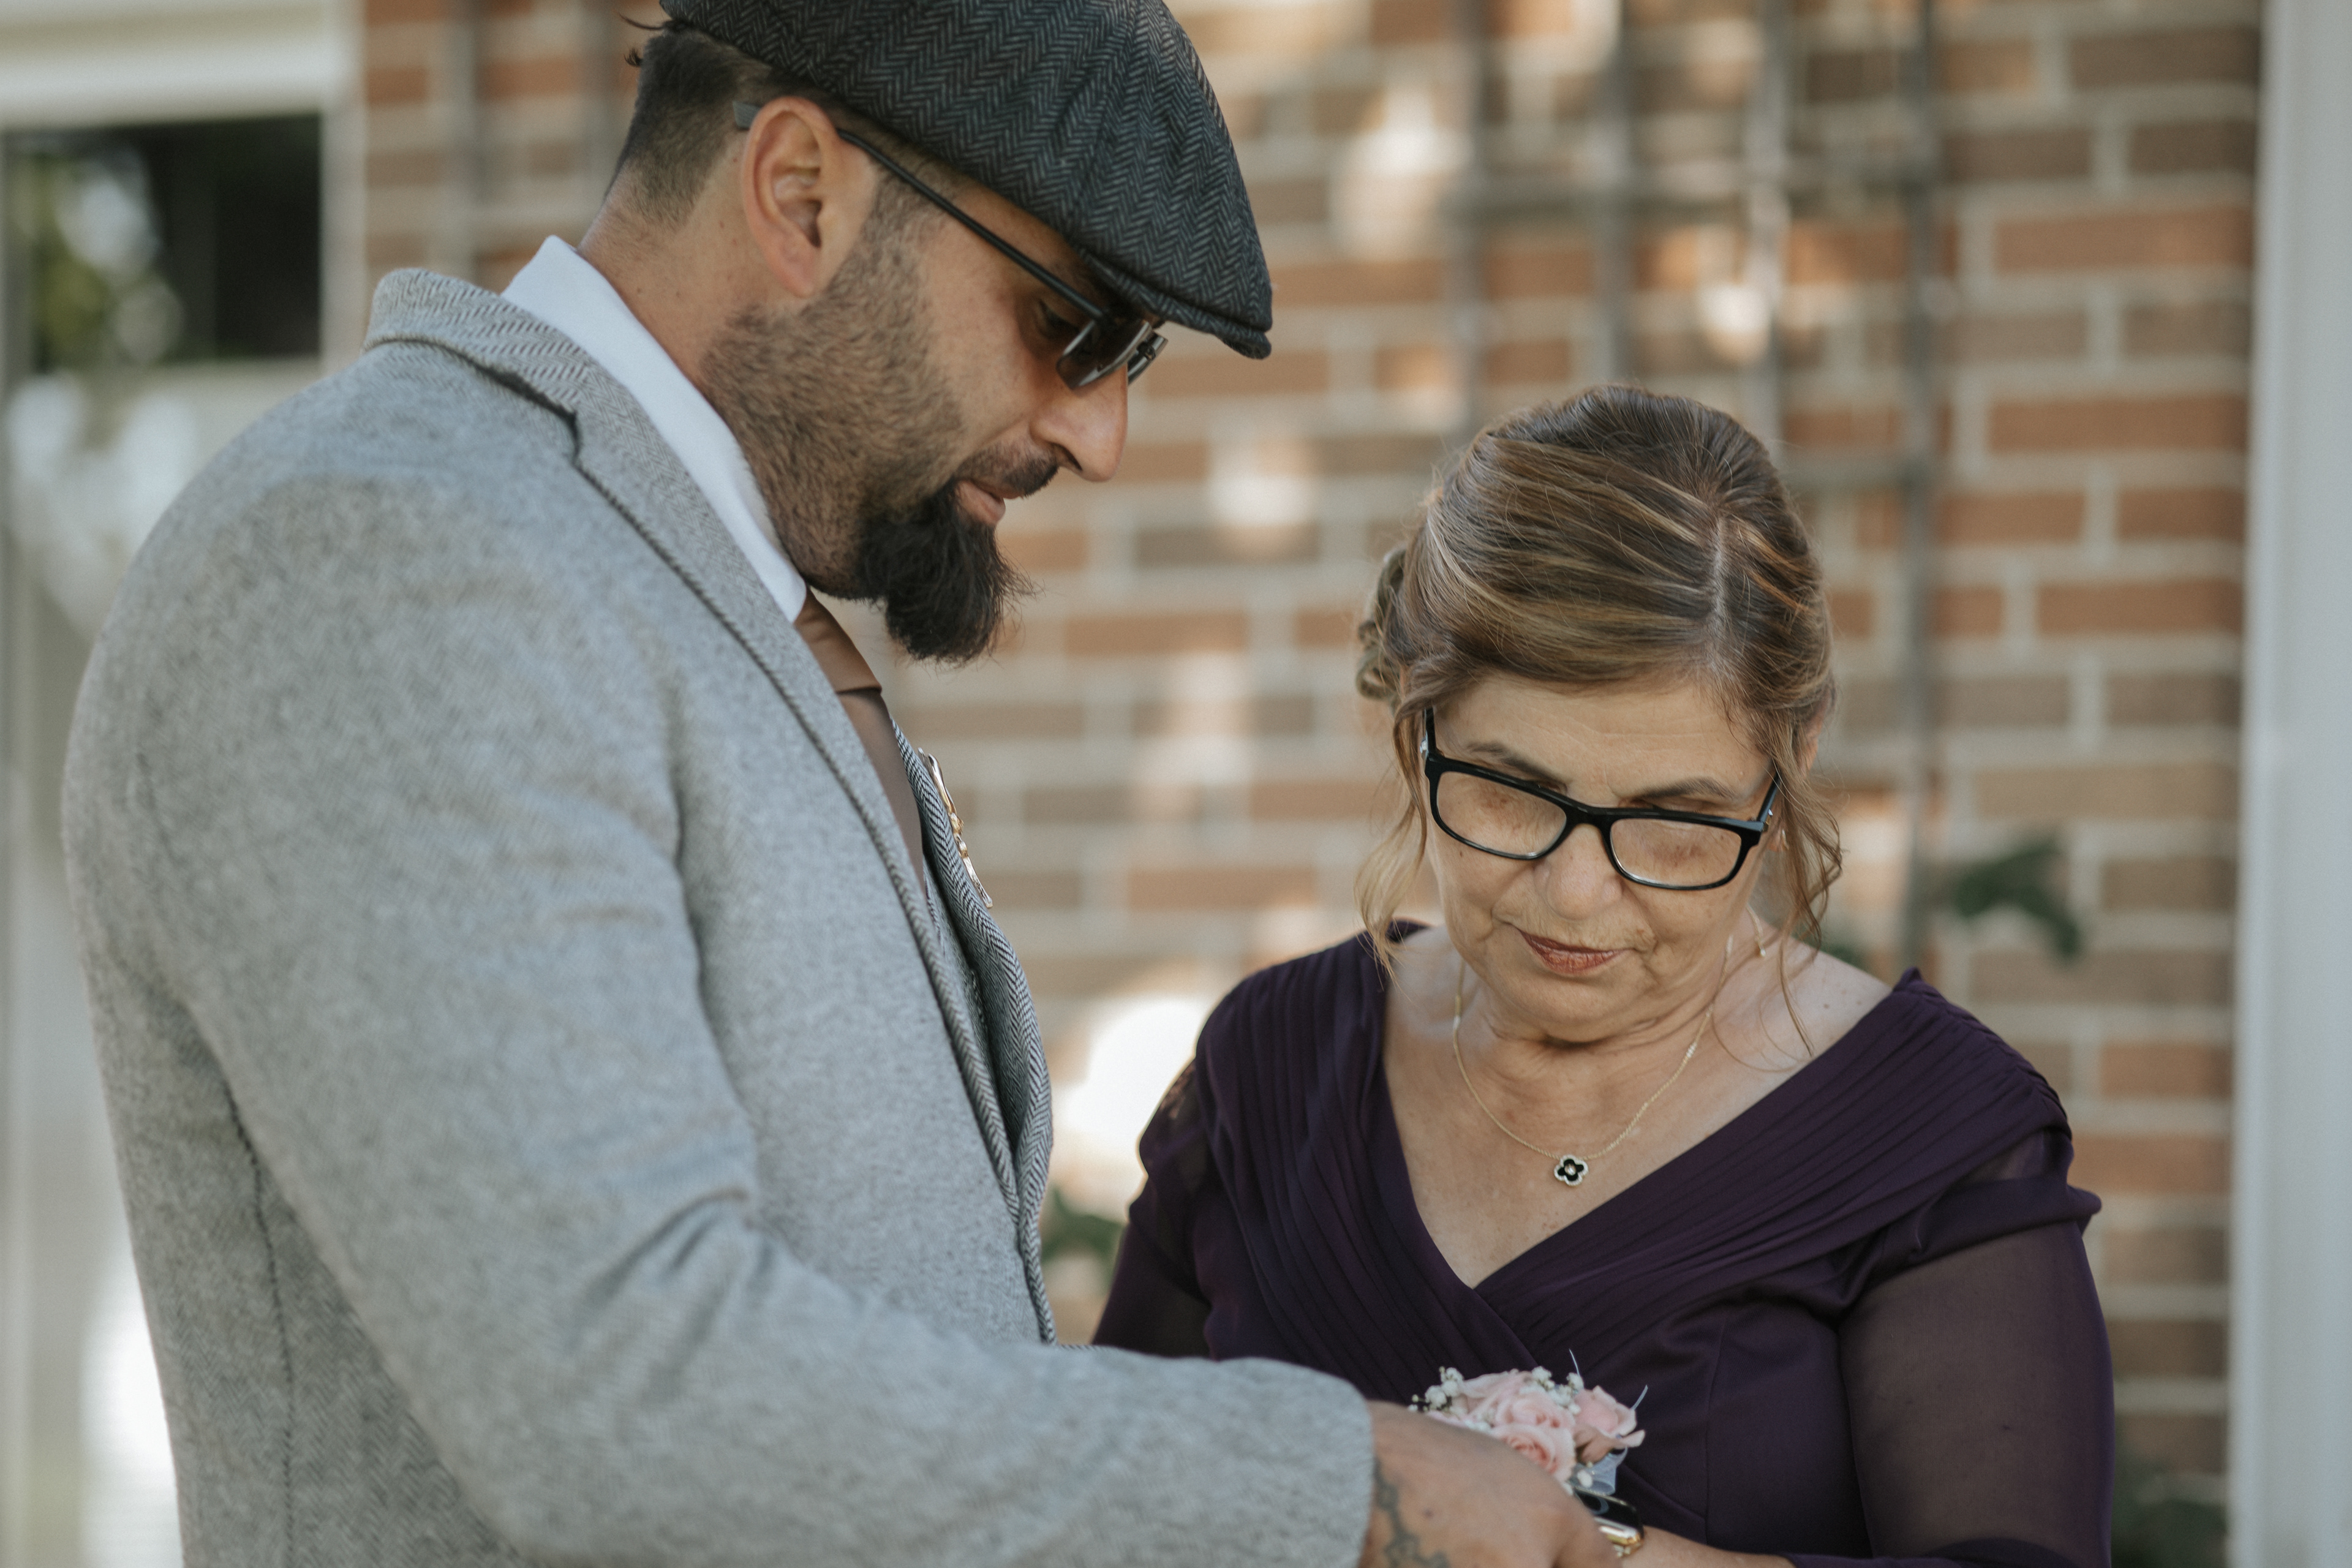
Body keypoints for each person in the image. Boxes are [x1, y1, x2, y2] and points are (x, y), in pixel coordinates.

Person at [61, 3, 1619, 1565]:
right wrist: (1337, 1484)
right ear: (801, 192)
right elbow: (628, 1392)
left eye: (1131, 357)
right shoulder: (382, 550)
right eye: (1074, 326)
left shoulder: (663, 574)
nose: (1101, 432)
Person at [1095, 386, 2116, 1568]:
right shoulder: (1268, 1064)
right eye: (1512, 792)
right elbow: (1107, 1495)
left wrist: (1574, 1551)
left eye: (1677, 820)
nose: (1578, 894)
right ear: (1416, 735)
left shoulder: (1930, 1130)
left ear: (1792, 761)